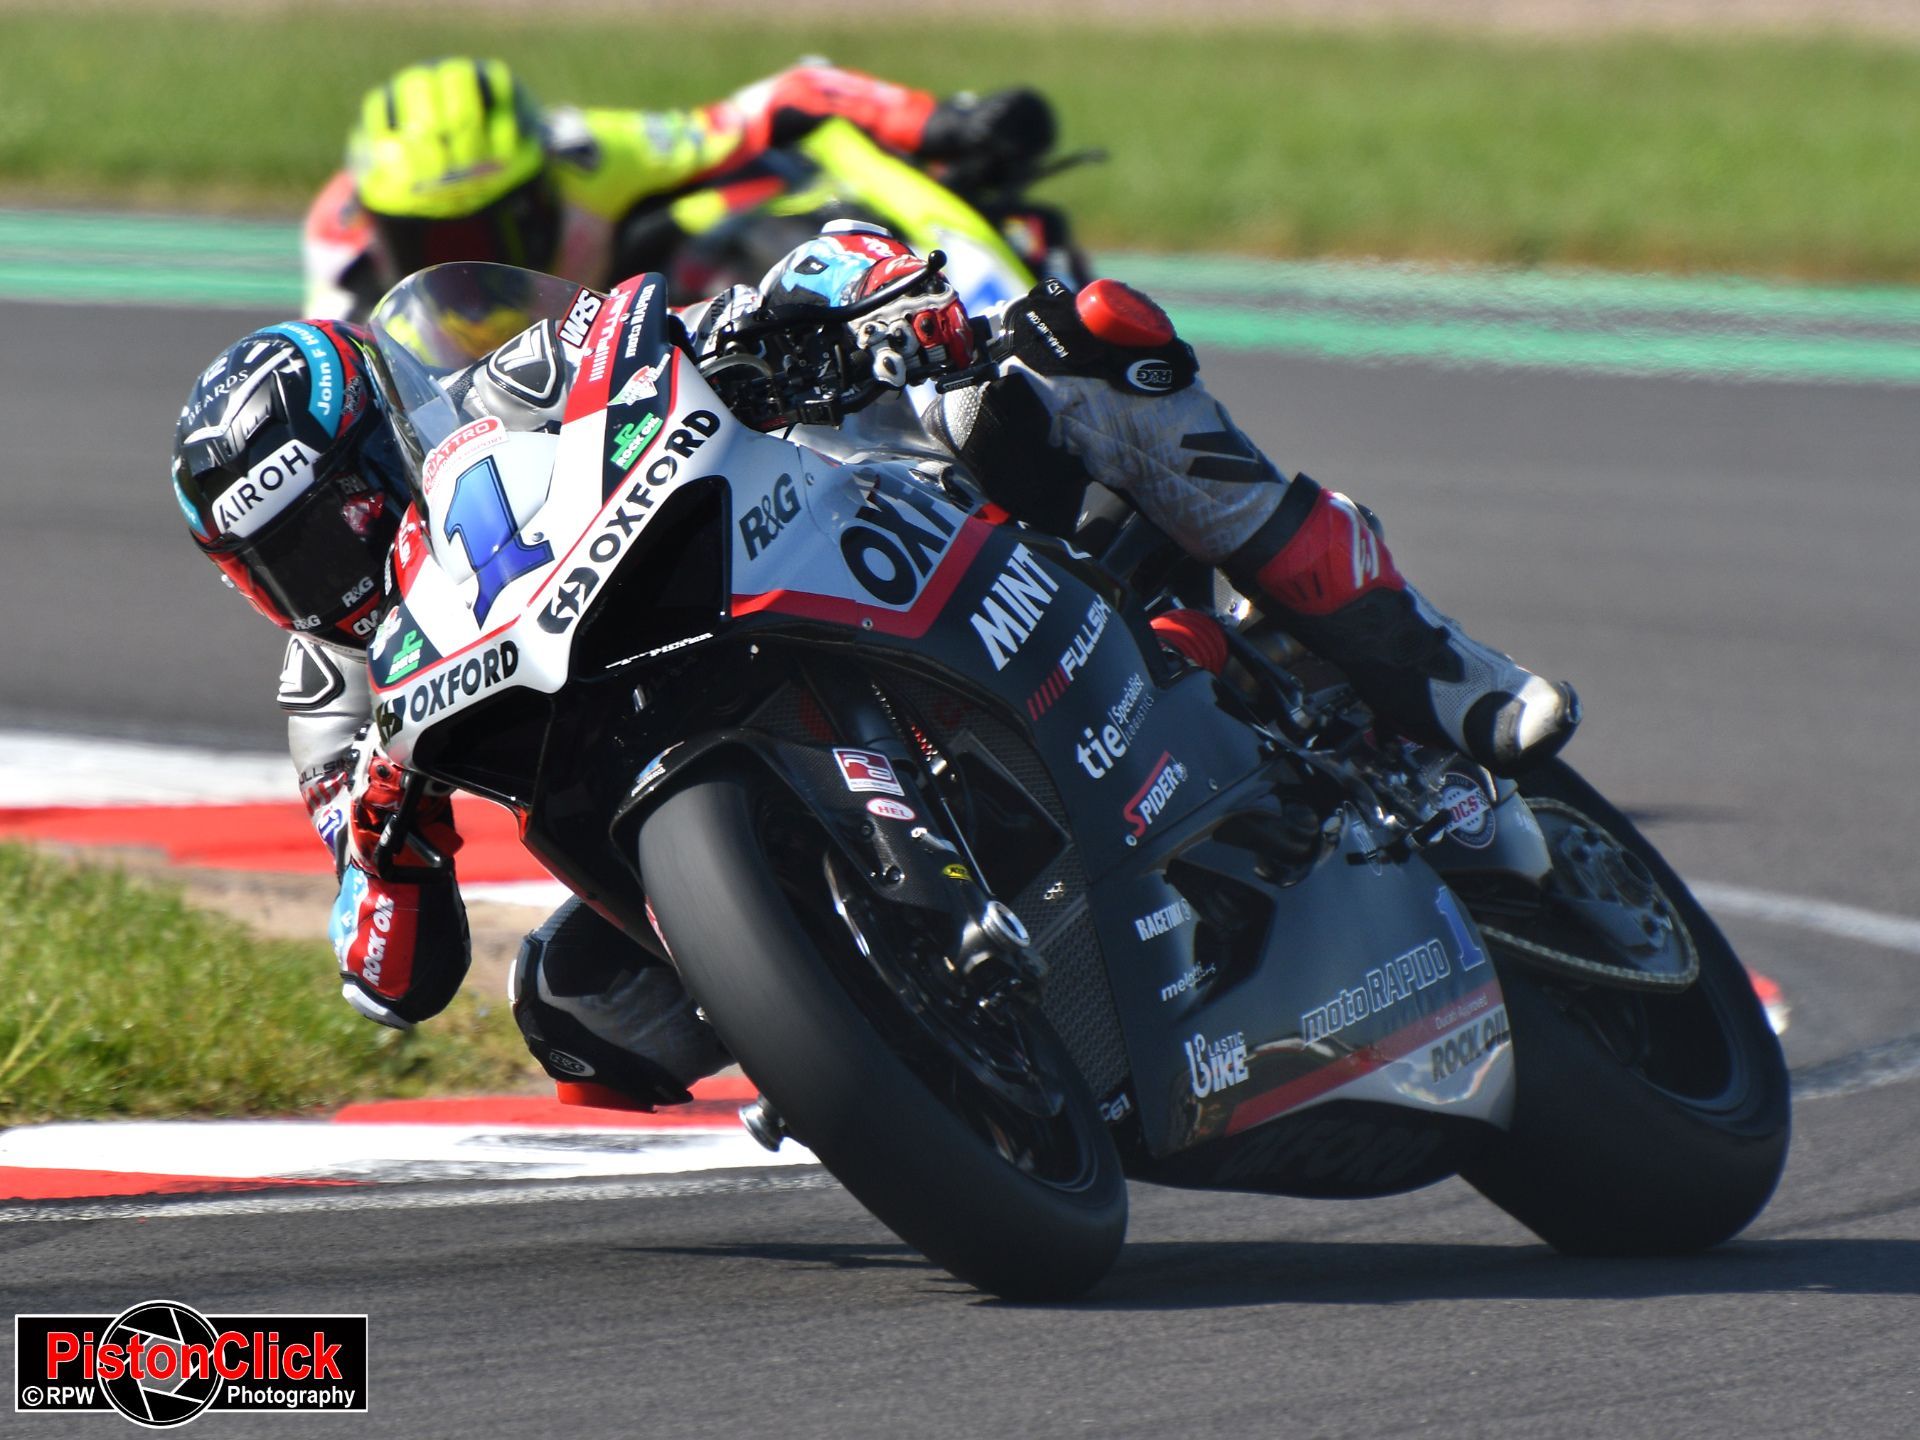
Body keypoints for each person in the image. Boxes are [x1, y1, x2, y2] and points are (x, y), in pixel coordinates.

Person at [170, 229, 1578, 1109]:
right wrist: (379, 842)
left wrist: (846, 298)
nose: (337, 559)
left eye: (342, 503)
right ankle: (869, 1046)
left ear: (385, 437)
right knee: (576, 1013)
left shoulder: (513, 395)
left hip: (818, 570)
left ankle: (1424, 681)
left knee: (1068, 355)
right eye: (294, 557)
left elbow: (714, 310)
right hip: (657, 807)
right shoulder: (330, 702)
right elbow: (390, 979)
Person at [304, 55, 1054, 322]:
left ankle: (976, 293)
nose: (459, 262)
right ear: (378, 226)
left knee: (739, 203)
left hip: (622, 342)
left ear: (541, 191)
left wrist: (940, 122)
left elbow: (793, 97)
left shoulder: (591, 159)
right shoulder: (339, 242)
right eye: (427, 239)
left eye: (483, 233)